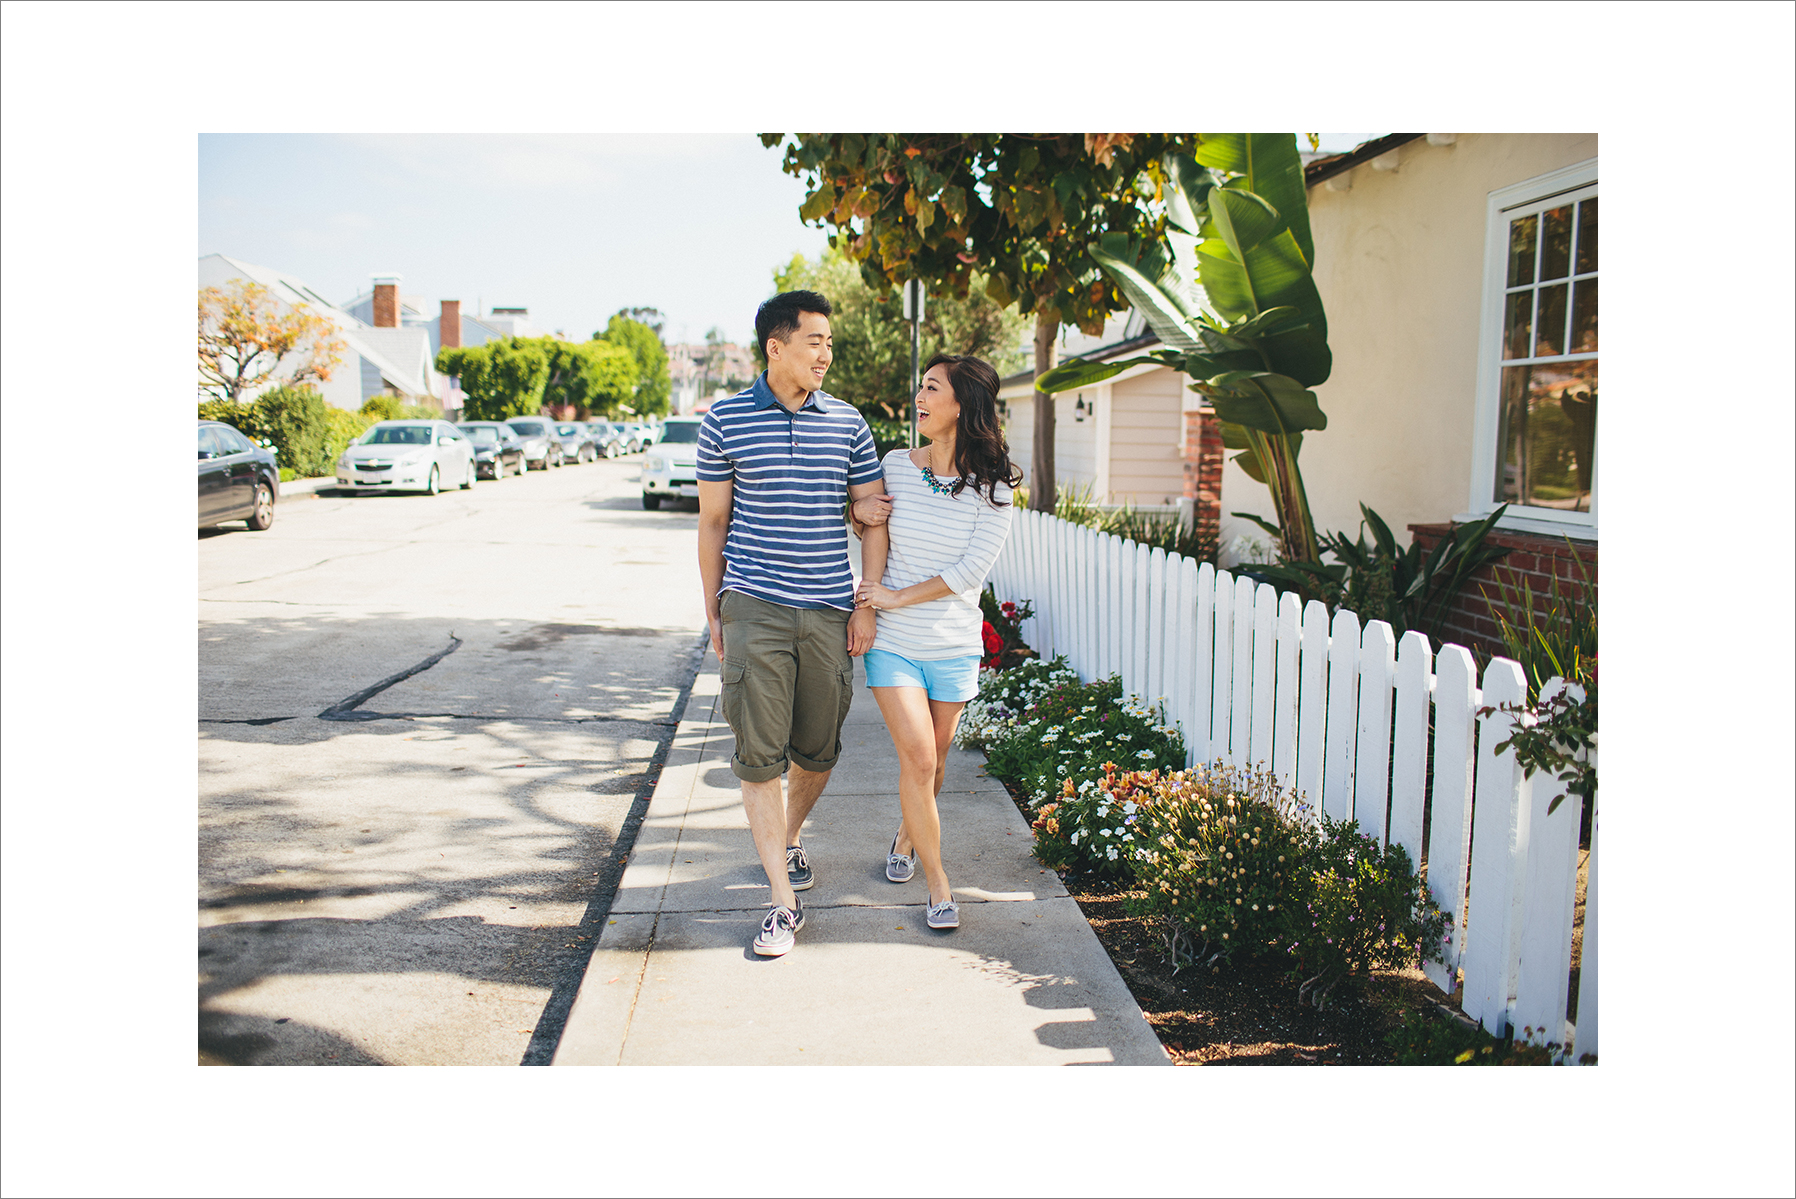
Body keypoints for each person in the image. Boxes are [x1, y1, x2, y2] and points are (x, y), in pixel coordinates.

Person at [696, 290, 893, 958]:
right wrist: (714, 604)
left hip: (829, 605)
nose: (826, 354)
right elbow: (715, 521)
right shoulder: (724, 420)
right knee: (758, 753)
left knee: (817, 749)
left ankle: (787, 834)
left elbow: (873, 513)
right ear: (776, 347)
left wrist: (865, 601)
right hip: (754, 602)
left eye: (830, 342)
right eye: (815, 341)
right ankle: (782, 901)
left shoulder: (848, 423)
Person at [854, 354, 1021, 931]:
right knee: (920, 758)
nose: (919, 397)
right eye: (920, 386)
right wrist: (874, 595)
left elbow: (972, 569)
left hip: (952, 643)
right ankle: (939, 884)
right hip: (894, 642)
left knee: (936, 761)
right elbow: (873, 525)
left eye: (931, 388)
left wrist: (901, 596)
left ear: (963, 405)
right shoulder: (896, 464)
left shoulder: (995, 488)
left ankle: (906, 835)